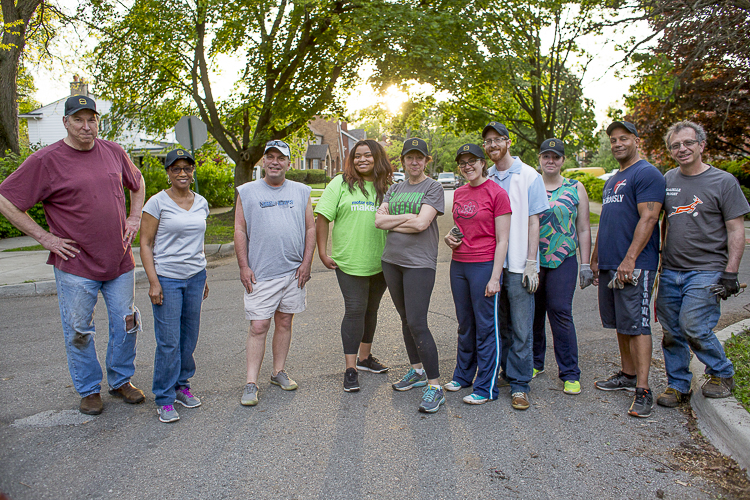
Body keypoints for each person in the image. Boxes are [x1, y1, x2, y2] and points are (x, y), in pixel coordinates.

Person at [0, 95, 146, 415]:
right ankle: (89, 389)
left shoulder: (114, 152)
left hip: (119, 260)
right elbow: (6, 199)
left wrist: (134, 217)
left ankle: (121, 380)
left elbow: (138, 182)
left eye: (91, 119)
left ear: (98, 122)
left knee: (127, 323)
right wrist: (44, 237)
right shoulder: (46, 160)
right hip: (76, 265)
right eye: (78, 119)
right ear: (65, 122)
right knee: (79, 329)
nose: (86, 126)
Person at [655, 121, 749, 407]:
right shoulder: (668, 179)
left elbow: (736, 230)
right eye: (675, 145)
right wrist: (659, 263)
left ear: (701, 145)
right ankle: (678, 385)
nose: (682, 149)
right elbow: (661, 224)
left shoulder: (723, 182)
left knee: (693, 325)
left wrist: (730, 273)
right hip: (671, 270)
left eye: (687, 143)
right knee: (672, 331)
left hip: (707, 270)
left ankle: (722, 372)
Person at [591, 121, 665, 418]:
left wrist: (630, 258)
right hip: (611, 263)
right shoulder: (614, 179)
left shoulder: (646, 173)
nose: (617, 143)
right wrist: (596, 257)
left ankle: (643, 389)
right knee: (621, 323)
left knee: (637, 324)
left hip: (634, 265)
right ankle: (627, 374)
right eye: (613, 140)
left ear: (637, 140)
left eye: (623, 138)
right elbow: (609, 220)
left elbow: (649, 219)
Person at [234, 140, 315, 406]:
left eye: (281, 158)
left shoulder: (301, 191)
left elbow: (311, 229)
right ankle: (250, 382)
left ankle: (278, 371)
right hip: (261, 273)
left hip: (293, 272)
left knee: (285, 322)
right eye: (270, 156)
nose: (275, 162)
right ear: (263, 161)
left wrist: (306, 263)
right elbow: (240, 231)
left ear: (289, 163)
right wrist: (244, 266)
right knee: (259, 326)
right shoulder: (246, 191)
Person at [477, 122, 549, 411]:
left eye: (497, 140)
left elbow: (534, 220)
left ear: (508, 143)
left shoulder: (530, 176)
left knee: (521, 327)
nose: (492, 145)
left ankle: (520, 385)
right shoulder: (487, 178)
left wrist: (532, 261)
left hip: (519, 263)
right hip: (492, 264)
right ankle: (506, 371)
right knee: (501, 325)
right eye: (488, 142)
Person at [374, 138, 445, 413]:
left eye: (419, 157)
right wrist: (409, 219)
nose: (414, 162)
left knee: (418, 321)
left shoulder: (433, 187)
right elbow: (379, 222)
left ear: (426, 160)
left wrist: (396, 221)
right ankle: (416, 372)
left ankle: (435, 386)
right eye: (409, 157)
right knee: (405, 319)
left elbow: (422, 224)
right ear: (402, 160)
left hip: (419, 265)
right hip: (392, 262)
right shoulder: (394, 188)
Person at [315, 140, 391, 392]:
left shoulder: (385, 187)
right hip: (348, 262)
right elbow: (323, 217)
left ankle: (365, 358)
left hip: (381, 262)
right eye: (357, 156)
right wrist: (323, 252)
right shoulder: (339, 183)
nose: (362, 160)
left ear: (377, 158)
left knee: (372, 310)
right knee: (355, 309)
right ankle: (350, 368)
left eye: (368, 155)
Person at [140, 149, 210, 423]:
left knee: (189, 337)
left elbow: (198, 241)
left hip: (195, 277)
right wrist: (153, 282)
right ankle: (164, 397)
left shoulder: (201, 202)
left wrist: (203, 274)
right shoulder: (156, 203)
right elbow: (145, 243)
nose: (182, 173)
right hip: (167, 279)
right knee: (168, 341)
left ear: (193, 172)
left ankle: (182, 386)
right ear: (168, 172)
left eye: (187, 168)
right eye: (176, 168)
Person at [443, 143, 511, 404]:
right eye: (462, 162)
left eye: (472, 160)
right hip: (459, 265)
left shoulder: (497, 193)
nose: (467, 166)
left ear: (483, 163)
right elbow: (460, 228)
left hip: (484, 265)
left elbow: (502, 240)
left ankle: (486, 386)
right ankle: (463, 375)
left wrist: (495, 277)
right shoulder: (459, 193)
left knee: (486, 327)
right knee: (465, 324)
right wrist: (451, 238)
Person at [532, 139, 593, 396]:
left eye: (556, 157)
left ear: (562, 160)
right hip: (534, 260)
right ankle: (534, 363)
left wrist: (586, 264)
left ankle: (569, 372)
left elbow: (583, 227)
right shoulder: (531, 186)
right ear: (540, 159)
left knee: (559, 311)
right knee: (533, 313)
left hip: (563, 259)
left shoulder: (575, 187)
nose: (551, 160)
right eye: (546, 156)